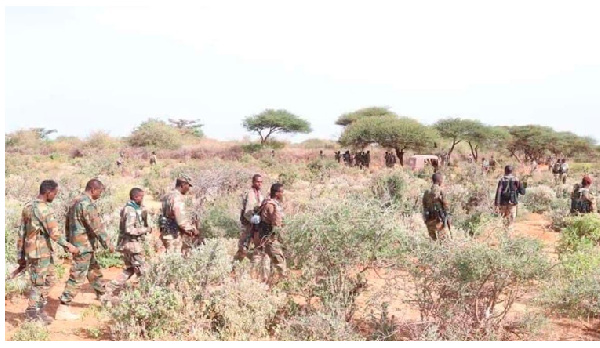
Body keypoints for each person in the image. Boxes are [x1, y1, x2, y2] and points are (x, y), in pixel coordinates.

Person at [17, 180, 79, 324]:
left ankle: (40, 311)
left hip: (33, 252)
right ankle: (32, 315)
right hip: (40, 253)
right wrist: (69, 246)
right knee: (39, 284)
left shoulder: (27, 207)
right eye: (55, 194)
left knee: (48, 280)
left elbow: (21, 233)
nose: (55, 196)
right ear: (48, 192)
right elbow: (54, 233)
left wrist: (20, 255)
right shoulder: (44, 209)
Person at [57, 179, 114, 320]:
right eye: (100, 191)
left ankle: (104, 298)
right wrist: (108, 244)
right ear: (93, 189)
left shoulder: (75, 201)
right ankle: (63, 307)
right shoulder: (87, 204)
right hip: (83, 247)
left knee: (94, 272)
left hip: (80, 245)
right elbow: (97, 227)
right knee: (77, 277)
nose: (100, 194)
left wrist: (69, 241)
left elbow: (67, 223)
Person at [103, 188, 150, 302]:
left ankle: (110, 287)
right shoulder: (131, 210)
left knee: (130, 269)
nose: (142, 199)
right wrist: (145, 230)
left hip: (127, 244)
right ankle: (146, 294)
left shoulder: (130, 208)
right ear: (135, 197)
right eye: (140, 197)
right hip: (132, 245)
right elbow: (129, 229)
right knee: (144, 270)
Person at [159, 174, 198, 254]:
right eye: (188, 186)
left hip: (165, 232)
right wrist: (192, 229)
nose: (188, 189)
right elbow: (180, 220)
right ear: (182, 185)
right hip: (173, 234)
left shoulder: (167, 196)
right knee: (173, 259)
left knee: (169, 256)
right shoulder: (177, 197)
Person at [256, 183, 287, 285]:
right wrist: (283, 239)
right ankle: (284, 283)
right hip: (270, 238)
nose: (283, 194)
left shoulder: (268, 202)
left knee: (268, 262)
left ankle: (268, 284)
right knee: (279, 262)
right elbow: (277, 224)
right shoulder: (271, 206)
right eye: (281, 192)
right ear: (277, 193)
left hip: (265, 238)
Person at [233, 174, 265, 263]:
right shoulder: (250, 194)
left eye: (261, 182)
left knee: (257, 248)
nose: (259, 184)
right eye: (257, 182)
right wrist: (253, 220)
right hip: (248, 225)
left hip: (256, 226)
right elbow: (248, 212)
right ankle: (234, 266)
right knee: (243, 248)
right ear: (253, 182)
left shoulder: (260, 194)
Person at [494, 165, 527, 230]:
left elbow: (498, 192)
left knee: (503, 220)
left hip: (502, 203)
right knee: (511, 222)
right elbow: (523, 192)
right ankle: (509, 236)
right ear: (512, 171)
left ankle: (504, 235)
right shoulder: (516, 180)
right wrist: (524, 183)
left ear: (505, 171)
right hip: (512, 203)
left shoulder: (501, 180)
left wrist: (497, 204)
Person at [422, 173, 450, 241]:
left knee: (433, 242)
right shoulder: (441, 191)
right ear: (440, 180)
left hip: (429, 221)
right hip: (439, 221)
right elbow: (446, 206)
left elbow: (424, 205)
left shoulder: (427, 192)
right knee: (445, 242)